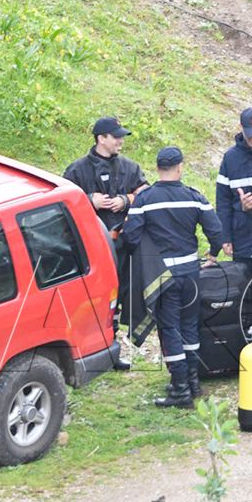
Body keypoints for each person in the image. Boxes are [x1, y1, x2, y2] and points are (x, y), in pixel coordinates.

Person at [121, 146, 224, 407]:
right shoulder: (195, 197)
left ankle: (179, 390)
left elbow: (130, 237)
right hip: (191, 273)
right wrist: (212, 253)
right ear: (180, 168)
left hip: (162, 276)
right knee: (189, 326)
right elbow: (216, 231)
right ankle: (193, 382)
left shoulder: (144, 200)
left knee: (170, 329)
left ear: (157, 169)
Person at [64, 116, 148, 370]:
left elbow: (146, 190)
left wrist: (126, 200)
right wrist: (90, 200)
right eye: (116, 136)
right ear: (101, 139)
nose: (121, 141)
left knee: (118, 298)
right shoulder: (77, 170)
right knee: (92, 301)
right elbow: (62, 201)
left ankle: (112, 352)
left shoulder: (129, 167)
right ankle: (85, 352)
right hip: (90, 251)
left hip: (123, 245)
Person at [216, 107, 252, 311]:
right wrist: (225, 236)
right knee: (247, 295)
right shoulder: (230, 158)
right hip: (242, 238)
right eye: (250, 134)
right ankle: (250, 335)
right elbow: (222, 202)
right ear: (241, 128)